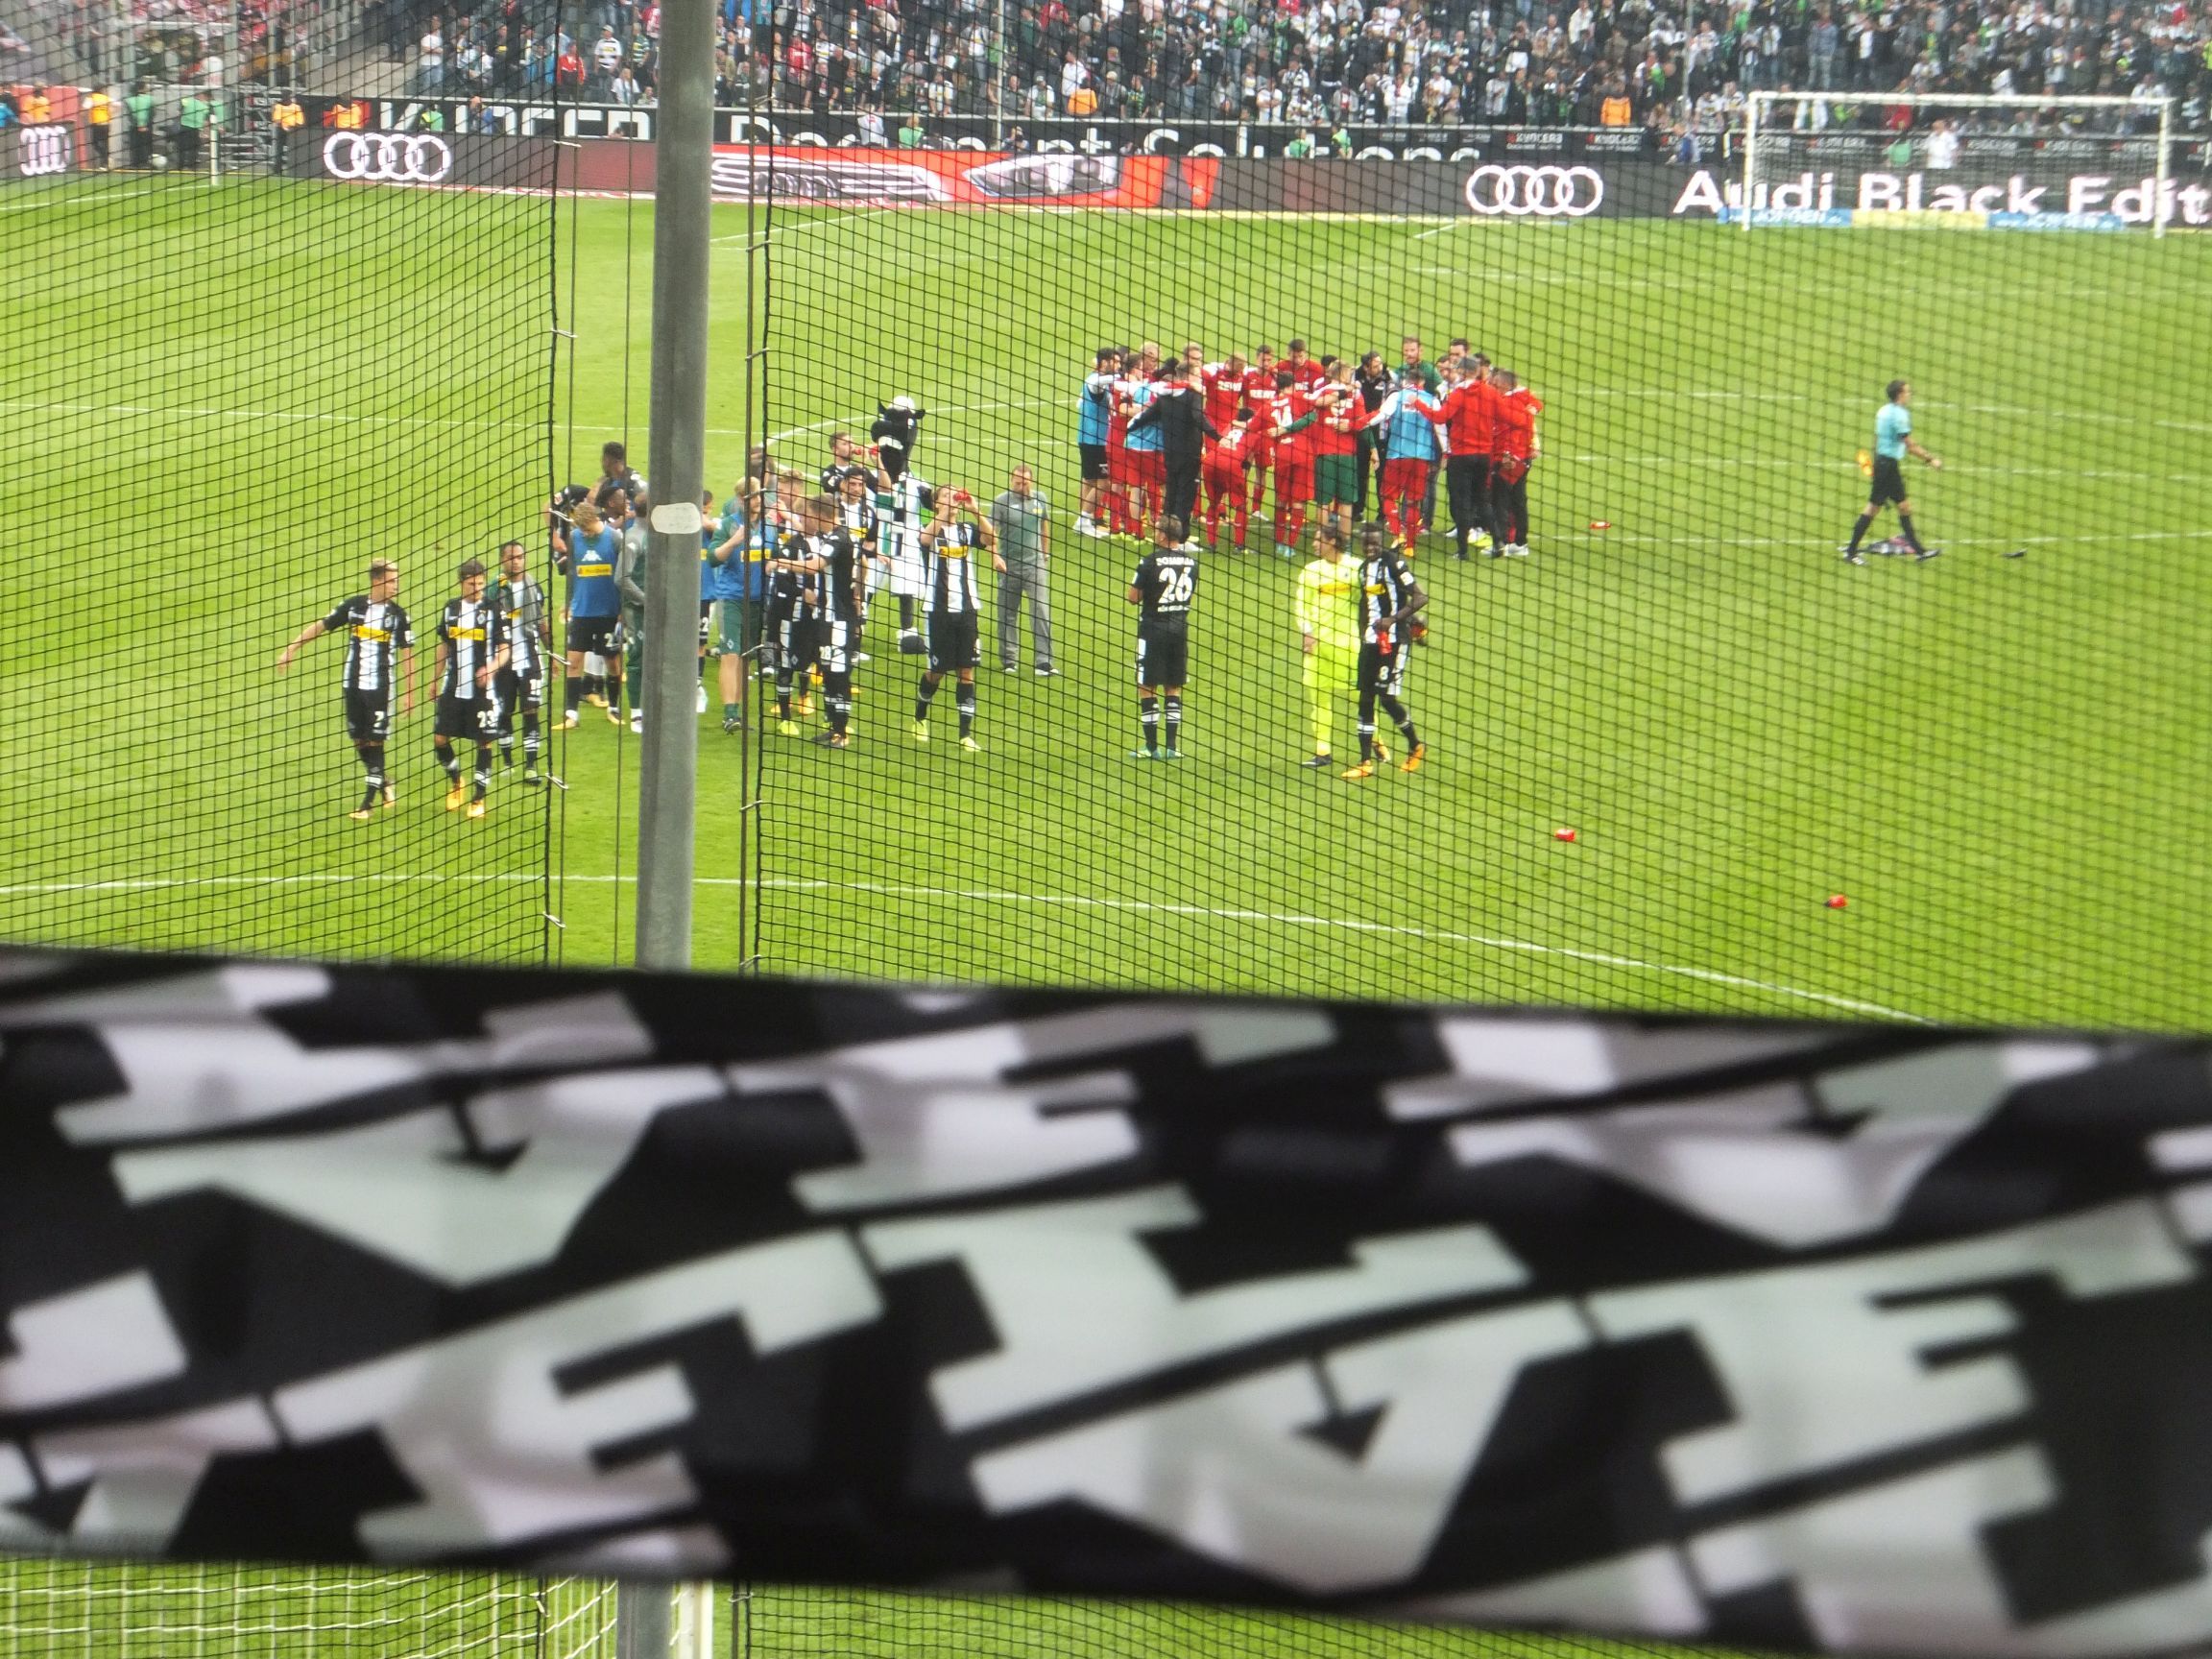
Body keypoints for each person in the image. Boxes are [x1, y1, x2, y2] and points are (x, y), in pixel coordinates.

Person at [276, 558, 416, 820]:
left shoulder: (398, 616)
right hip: (352, 684)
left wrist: (410, 692)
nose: (396, 586)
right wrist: (291, 648)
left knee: (375, 740)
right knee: (359, 739)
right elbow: (322, 625)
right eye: (392, 581)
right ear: (377, 581)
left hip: (380, 689)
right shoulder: (354, 607)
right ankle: (384, 781)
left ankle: (367, 804)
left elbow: (408, 654)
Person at [912, 488, 1001, 751]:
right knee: (937, 672)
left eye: (955, 495)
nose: (953, 500)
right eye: (946, 495)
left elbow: (991, 538)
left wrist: (975, 510)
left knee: (966, 670)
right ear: (936, 503)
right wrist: (943, 512)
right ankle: (920, 716)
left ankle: (965, 734)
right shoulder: (930, 528)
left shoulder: (966, 529)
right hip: (938, 611)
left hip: (968, 609)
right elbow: (925, 540)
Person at [1345, 525, 1428, 780]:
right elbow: (1365, 604)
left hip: (1394, 641)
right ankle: (1365, 762)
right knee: (1365, 698)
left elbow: (1420, 597)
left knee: (1387, 699)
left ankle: (1416, 746)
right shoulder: (1362, 570)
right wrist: (1363, 633)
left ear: (1381, 542)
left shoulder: (1395, 565)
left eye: (1374, 543)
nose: (1370, 548)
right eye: (1366, 544)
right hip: (1371, 643)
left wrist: (1393, 619)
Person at [431, 559, 510, 818]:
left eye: (480, 584)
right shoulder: (450, 609)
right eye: (472, 584)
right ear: (461, 583)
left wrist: (491, 668)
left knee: (484, 741)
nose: (477, 589)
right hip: (453, 686)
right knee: (440, 738)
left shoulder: (493, 610)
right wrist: (434, 679)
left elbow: (505, 650)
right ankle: (457, 782)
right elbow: (444, 646)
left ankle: (478, 799)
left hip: (483, 691)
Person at [1841, 378, 1942, 564]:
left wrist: (1875, 464)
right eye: (1908, 392)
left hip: (1884, 464)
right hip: (1887, 466)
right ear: (1900, 395)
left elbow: (1876, 439)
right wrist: (1930, 459)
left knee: (1903, 507)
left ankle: (1920, 552)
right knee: (1873, 509)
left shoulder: (1883, 411)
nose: (1910, 395)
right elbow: (1910, 445)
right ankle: (1851, 552)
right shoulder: (1899, 416)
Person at [1127, 515, 1197, 760]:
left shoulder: (1149, 561)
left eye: (1157, 529)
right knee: (1173, 686)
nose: (1154, 532)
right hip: (1179, 629)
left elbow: (1133, 597)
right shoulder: (1192, 563)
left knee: (1147, 685)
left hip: (1153, 629)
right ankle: (1172, 747)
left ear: (1164, 535)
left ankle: (1151, 747)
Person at [1126, 362, 1218, 541]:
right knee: (1185, 496)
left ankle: (1166, 535)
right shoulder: (1192, 395)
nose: (1200, 379)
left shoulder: (1166, 395)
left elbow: (1147, 416)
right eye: (1197, 375)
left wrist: (1130, 428)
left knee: (1171, 494)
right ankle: (1181, 538)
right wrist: (1218, 437)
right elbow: (1198, 417)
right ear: (1188, 376)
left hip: (1170, 453)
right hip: (1189, 454)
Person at [1295, 525, 1361, 769]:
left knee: (1362, 699)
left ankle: (1376, 743)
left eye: (1318, 540)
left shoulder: (1356, 568)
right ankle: (1322, 752)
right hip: (1318, 648)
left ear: (1332, 541)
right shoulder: (1310, 571)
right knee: (1319, 700)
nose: (1314, 544)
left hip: (1348, 646)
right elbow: (1301, 605)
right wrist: (1307, 633)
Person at [803, 493, 865, 749]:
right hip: (827, 616)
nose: (808, 519)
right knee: (828, 671)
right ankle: (833, 728)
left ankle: (842, 733)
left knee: (839, 674)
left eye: (811, 515)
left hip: (840, 618)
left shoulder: (839, 538)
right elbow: (861, 564)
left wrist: (778, 562)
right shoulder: (832, 537)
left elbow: (813, 566)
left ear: (821, 515)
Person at [493, 540, 553, 783]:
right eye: (511, 558)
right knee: (504, 711)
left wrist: (551, 652)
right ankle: (507, 762)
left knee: (531, 710)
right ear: (502, 560)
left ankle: (530, 766)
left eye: (520, 557)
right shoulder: (494, 590)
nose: (516, 562)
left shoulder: (534, 588)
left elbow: (541, 622)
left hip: (530, 659)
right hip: (502, 661)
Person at [707, 486, 765, 733]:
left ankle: (737, 714)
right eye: (753, 496)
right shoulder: (728, 525)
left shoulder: (769, 526)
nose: (758, 500)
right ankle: (729, 715)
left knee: (746, 658)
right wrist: (734, 541)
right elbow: (713, 558)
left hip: (758, 600)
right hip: (731, 599)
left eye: (760, 495)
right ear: (741, 499)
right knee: (730, 655)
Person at [989, 465, 1054, 676]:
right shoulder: (1001, 502)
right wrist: (995, 556)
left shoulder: (1040, 499)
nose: (1021, 486)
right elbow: (992, 533)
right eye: (1017, 482)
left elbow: (1044, 526)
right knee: (1006, 613)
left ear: (1031, 481)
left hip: (1035, 565)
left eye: (1025, 482)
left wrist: (1045, 555)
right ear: (1011, 481)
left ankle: (1044, 661)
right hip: (1009, 566)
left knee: (1040, 611)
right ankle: (1009, 660)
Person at [562, 498, 622, 727]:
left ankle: (614, 708)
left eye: (587, 528)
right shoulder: (574, 538)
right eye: (581, 530)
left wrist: (622, 609)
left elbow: (624, 576)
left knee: (612, 661)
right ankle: (571, 714)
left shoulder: (614, 539)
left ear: (596, 519)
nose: (585, 533)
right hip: (581, 611)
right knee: (573, 660)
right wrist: (568, 602)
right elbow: (572, 572)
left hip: (608, 612)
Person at [1432, 357, 1500, 559]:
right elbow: (1504, 415)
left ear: (1462, 371)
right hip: (1483, 455)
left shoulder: (1459, 393)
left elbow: (1440, 417)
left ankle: (1463, 551)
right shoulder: (1490, 392)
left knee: (1462, 502)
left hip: (1461, 456)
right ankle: (1498, 542)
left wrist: (1417, 404)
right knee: (1482, 499)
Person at [764, 506, 822, 736]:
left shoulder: (824, 543)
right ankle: (785, 717)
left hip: (817, 615)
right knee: (787, 661)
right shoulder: (791, 546)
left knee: (811, 658)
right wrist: (802, 594)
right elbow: (781, 583)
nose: (816, 521)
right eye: (812, 517)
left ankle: (804, 696)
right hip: (792, 615)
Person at [1371, 367, 1445, 541]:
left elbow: (1381, 416)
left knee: (1388, 497)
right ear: (1422, 382)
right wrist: (1446, 452)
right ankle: (1410, 545)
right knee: (1413, 500)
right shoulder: (1432, 400)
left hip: (1398, 454)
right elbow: (1440, 428)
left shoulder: (1397, 396)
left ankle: (1398, 534)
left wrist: (1360, 423)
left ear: (1406, 381)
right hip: (1422, 457)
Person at [1489, 370, 1543, 557]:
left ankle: (1502, 543)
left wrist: (1507, 455)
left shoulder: (1508, 404)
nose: (1493, 386)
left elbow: (1510, 433)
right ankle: (1520, 543)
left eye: (1495, 384)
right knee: (1518, 500)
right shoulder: (1521, 400)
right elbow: (1535, 406)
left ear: (1505, 385)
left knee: (1501, 501)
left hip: (1510, 459)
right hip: (1522, 457)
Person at [1200, 402, 1263, 552]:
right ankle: (1239, 545)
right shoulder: (1256, 433)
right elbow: (1247, 461)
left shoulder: (1229, 426)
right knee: (1241, 505)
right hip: (1230, 463)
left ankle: (1212, 545)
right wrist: (1243, 483)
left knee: (1214, 503)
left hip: (1210, 461)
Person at [1076, 346, 1119, 539]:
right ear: (1105, 362)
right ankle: (1083, 520)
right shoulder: (1095, 380)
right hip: (1097, 440)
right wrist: (1124, 374)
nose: (1118, 365)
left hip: (1087, 437)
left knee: (1090, 480)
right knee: (1104, 483)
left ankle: (1084, 520)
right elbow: (1110, 379)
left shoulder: (1095, 378)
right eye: (1115, 362)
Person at [1352, 350, 1391, 521]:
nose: (1379, 368)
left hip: (1380, 432)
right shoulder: (1355, 375)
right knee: (1359, 472)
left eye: (1380, 364)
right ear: (1366, 367)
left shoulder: (1389, 377)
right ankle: (1357, 510)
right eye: (1375, 366)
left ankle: (1383, 513)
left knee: (1381, 474)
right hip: (1360, 431)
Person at [84, 84, 112, 169]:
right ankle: (105, 163)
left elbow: (84, 108)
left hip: (96, 123)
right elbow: (117, 105)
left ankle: (105, 158)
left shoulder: (91, 98)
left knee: (95, 143)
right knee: (105, 143)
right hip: (106, 123)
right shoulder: (106, 98)